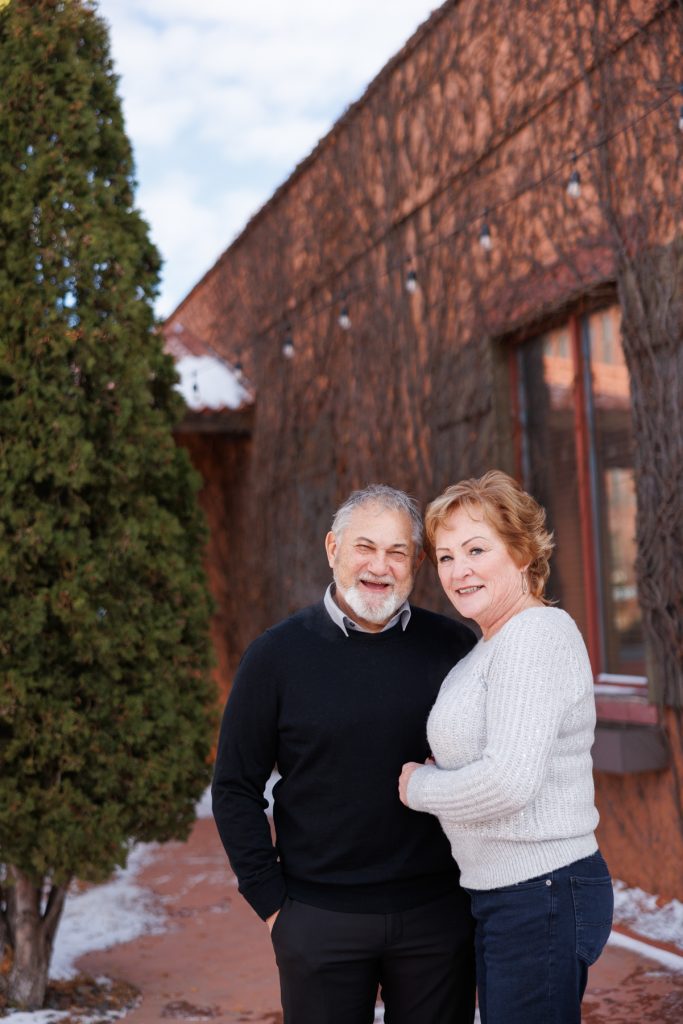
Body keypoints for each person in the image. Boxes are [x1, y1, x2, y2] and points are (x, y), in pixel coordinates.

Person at [212, 484, 477, 1024]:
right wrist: (273, 907)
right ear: (333, 548)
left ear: (417, 562)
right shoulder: (275, 657)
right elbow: (235, 787)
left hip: (437, 917)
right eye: (365, 547)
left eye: (397, 551)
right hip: (318, 919)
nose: (379, 565)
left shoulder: (455, 649)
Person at [399, 470, 613, 1024]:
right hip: (508, 893)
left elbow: (509, 782)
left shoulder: (534, 636)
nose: (458, 570)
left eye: (475, 549)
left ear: (521, 553)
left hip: (540, 890)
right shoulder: (489, 647)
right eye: (445, 557)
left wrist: (421, 786)